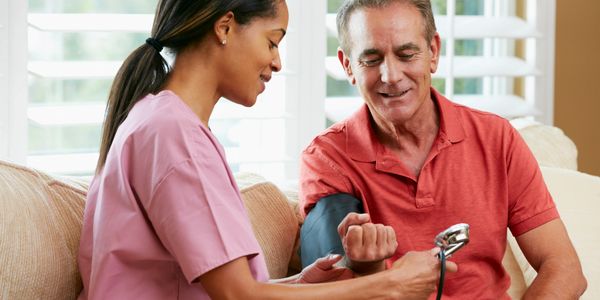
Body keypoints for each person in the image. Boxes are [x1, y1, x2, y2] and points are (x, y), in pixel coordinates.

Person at [77, 0, 457, 299]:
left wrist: (300, 284)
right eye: (272, 41)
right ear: (225, 27)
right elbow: (238, 296)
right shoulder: (172, 134)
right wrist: (390, 285)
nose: (276, 62)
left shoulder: (160, 120)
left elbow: (227, 288)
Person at [299, 0, 588, 299]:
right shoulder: (327, 159)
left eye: (407, 54)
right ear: (348, 65)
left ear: (433, 52)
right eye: (371, 59)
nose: (391, 75)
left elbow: (564, 267)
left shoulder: (496, 138)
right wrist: (367, 267)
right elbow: (332, 290)